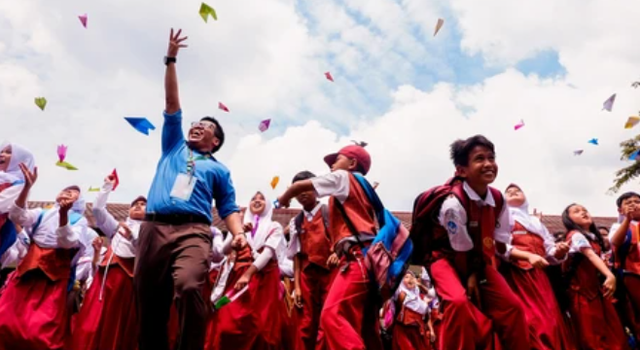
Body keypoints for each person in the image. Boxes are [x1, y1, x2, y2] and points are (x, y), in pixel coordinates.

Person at [134, 28, 246, 350]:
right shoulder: (172, 146)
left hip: (193, 231)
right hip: (153, 230)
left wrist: (237, 233)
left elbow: (228, 208)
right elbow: (171, 103)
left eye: (207, 127)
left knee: (188, 287)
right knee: (148, 303)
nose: (198, 126)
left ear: (216, 142)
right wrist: (170, 60)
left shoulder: (219, 169)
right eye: (196, 123)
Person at [410, 135, 528, 350]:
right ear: (461, 170)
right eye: (479, 159)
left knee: (513, 308)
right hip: (444, 258)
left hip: (478, 261)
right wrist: (472, 276)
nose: (488, 164)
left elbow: (498, 243)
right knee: (458, 303)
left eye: (491, 158)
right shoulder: (453, 204)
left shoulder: (498, 200)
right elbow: (460, 250)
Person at [276, 144, 383, 350]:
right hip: (366, 259)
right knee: (364, 325)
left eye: (337, 159)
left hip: (354, 258)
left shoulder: (344, 177)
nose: (333, 165)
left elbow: (299, 186)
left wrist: (282, 198)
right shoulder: (363, 187)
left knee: (332, 315)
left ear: (352, 164)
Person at [0, 164, 87, 350]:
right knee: (6, 319)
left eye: (74, 193)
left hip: (53, 279)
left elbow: (68, 242)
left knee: (42, 331)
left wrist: (64, 215)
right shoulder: (43, 212)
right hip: (26, 272)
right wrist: (26, 188)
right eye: (66, 190)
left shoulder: (79, 220)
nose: (68, 193)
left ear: (79, 202)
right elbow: (18, 216)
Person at [70, 174, 146, 350]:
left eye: (143, 204)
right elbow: (98, 210)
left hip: (130, 284)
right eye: (135, 203)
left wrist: (133, 236)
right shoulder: (117, 227)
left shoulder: (152, 231)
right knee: (93, 322)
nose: (137, 206)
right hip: (106, 281)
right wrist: (107, 186)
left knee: (124, 325)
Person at [208, 191, 286, 350]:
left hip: (263, 282)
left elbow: (267, 253)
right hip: (236, 280)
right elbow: (224, 250)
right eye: (253, 199)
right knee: (226, 321)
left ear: (268, 205)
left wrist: (247, 275)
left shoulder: (274, 227)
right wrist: (239, 232)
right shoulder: (240, 225)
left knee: (260, 329)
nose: (257, 201)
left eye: (261, 199)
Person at [501, 184, 576, 350]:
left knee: (553, 319)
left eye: (518, 190)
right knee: (533, 320)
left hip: (541, 277)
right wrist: (527, 256)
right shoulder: (502, 218)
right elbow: (500, 247)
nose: (513, 191)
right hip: (518, 275)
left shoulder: (535, 222)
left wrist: (559, 250)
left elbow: (549, 250)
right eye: (508, 192)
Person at [562, 203, 629, 349]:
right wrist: (610, 276)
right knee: (591, 335)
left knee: (611, 332)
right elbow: (590, 255)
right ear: (568, 219)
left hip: (596, 293)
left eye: (585, 210)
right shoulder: (575, 236)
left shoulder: (593, 238)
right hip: (581, 294)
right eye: (577, 211)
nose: (583, 212)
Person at [286, 170, 338, 350]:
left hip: (330, 273)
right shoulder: (296, 222)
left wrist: (336, 252)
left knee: (328, 317)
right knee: (305, 321)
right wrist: (297, 287)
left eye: (306, 188)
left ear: (316, 189)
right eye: (297, 191)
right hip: (307, 277)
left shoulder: (330, 212)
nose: (302, 194)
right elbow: (297, 256)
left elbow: (342, 238)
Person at [609, 192, 640, 342]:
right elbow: (615, 242)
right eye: (628, 203)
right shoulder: (618, 227)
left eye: (637, 201)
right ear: (620, 210)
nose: (634, 204)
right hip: (632, 276)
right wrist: (627, 219)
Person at [0, 142, 35, 259]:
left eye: (8, 152)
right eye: (1, 151)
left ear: (20, 160)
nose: (2, 154)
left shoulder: (19, 184)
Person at [390, 271, 433, 350]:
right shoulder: (402, 295)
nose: (410, 279)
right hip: (403, 331)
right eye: (406, 277)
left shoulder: (418, 297)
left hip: (417, 332)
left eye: (412, 277)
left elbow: (431, 296)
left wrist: (420, 285)